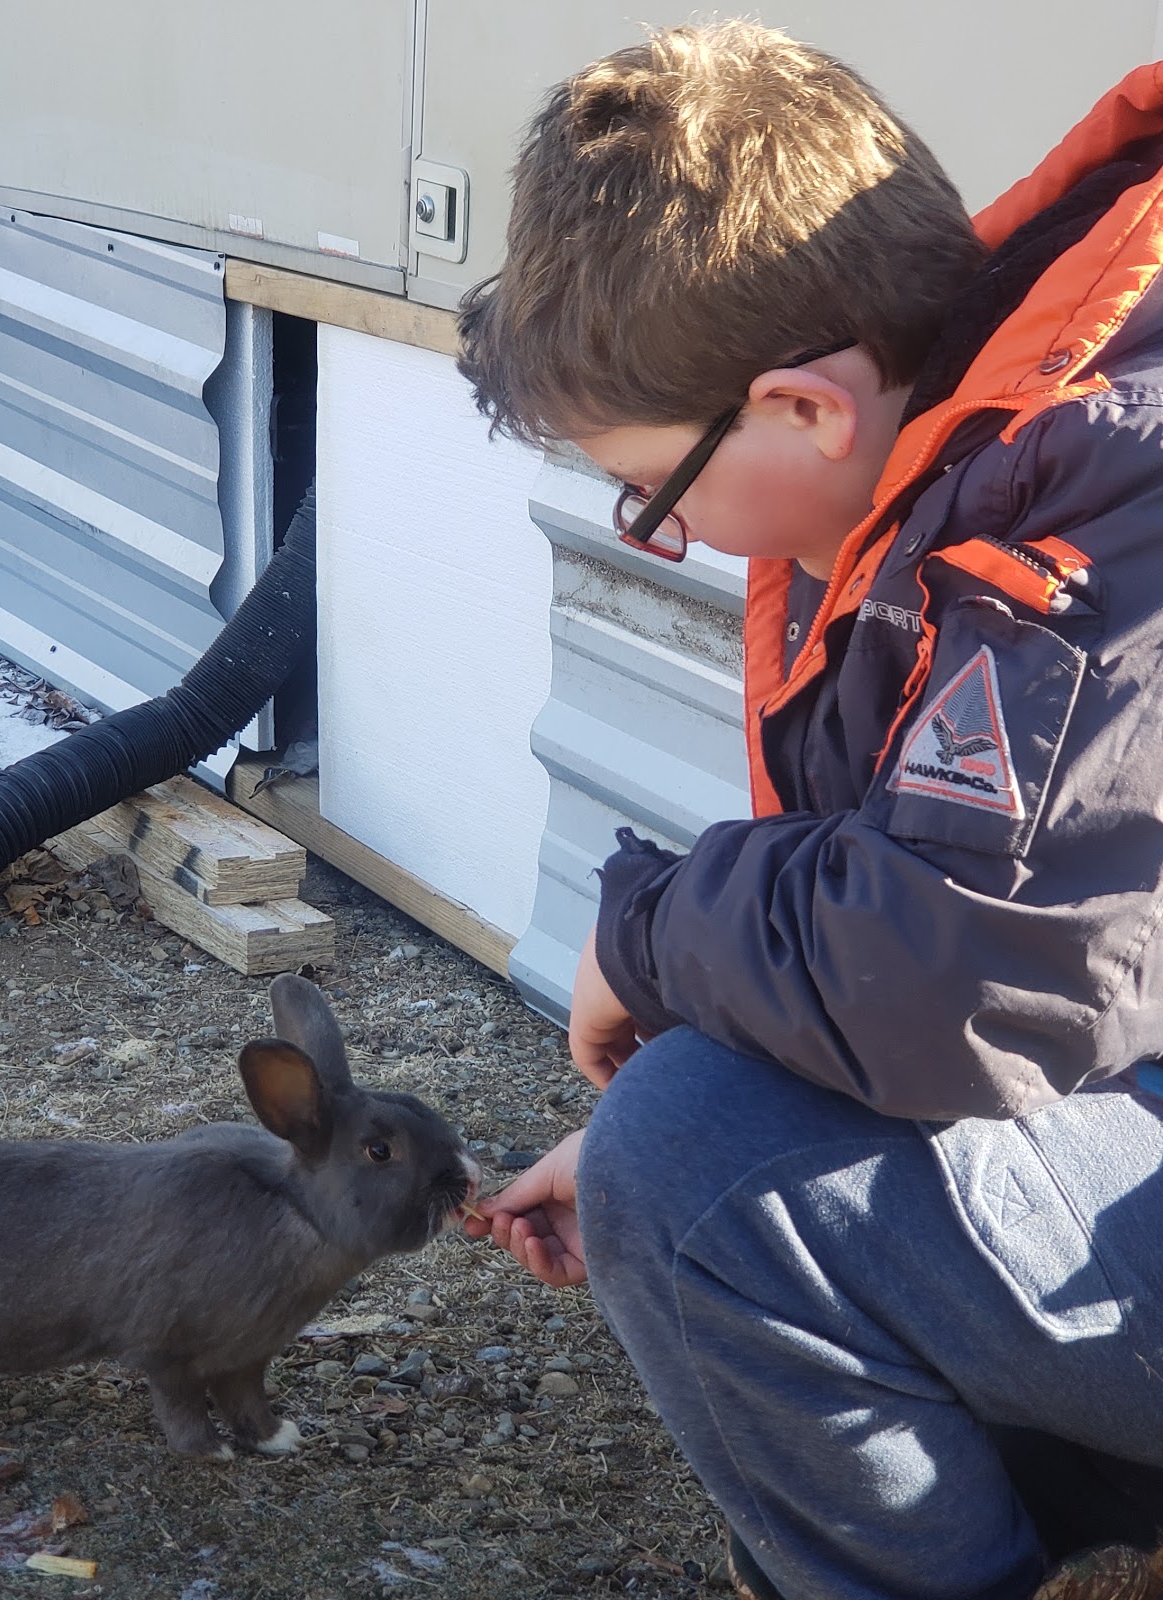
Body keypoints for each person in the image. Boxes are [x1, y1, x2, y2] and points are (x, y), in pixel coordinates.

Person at [456, 21, 1163, 1600]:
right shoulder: (970, 458)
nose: (670, 537)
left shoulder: (1098, 497)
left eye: (655, 492)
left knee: (697, 1169)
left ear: (804, 408)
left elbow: (950, 979)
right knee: (697, 1159)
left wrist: (642, 940)